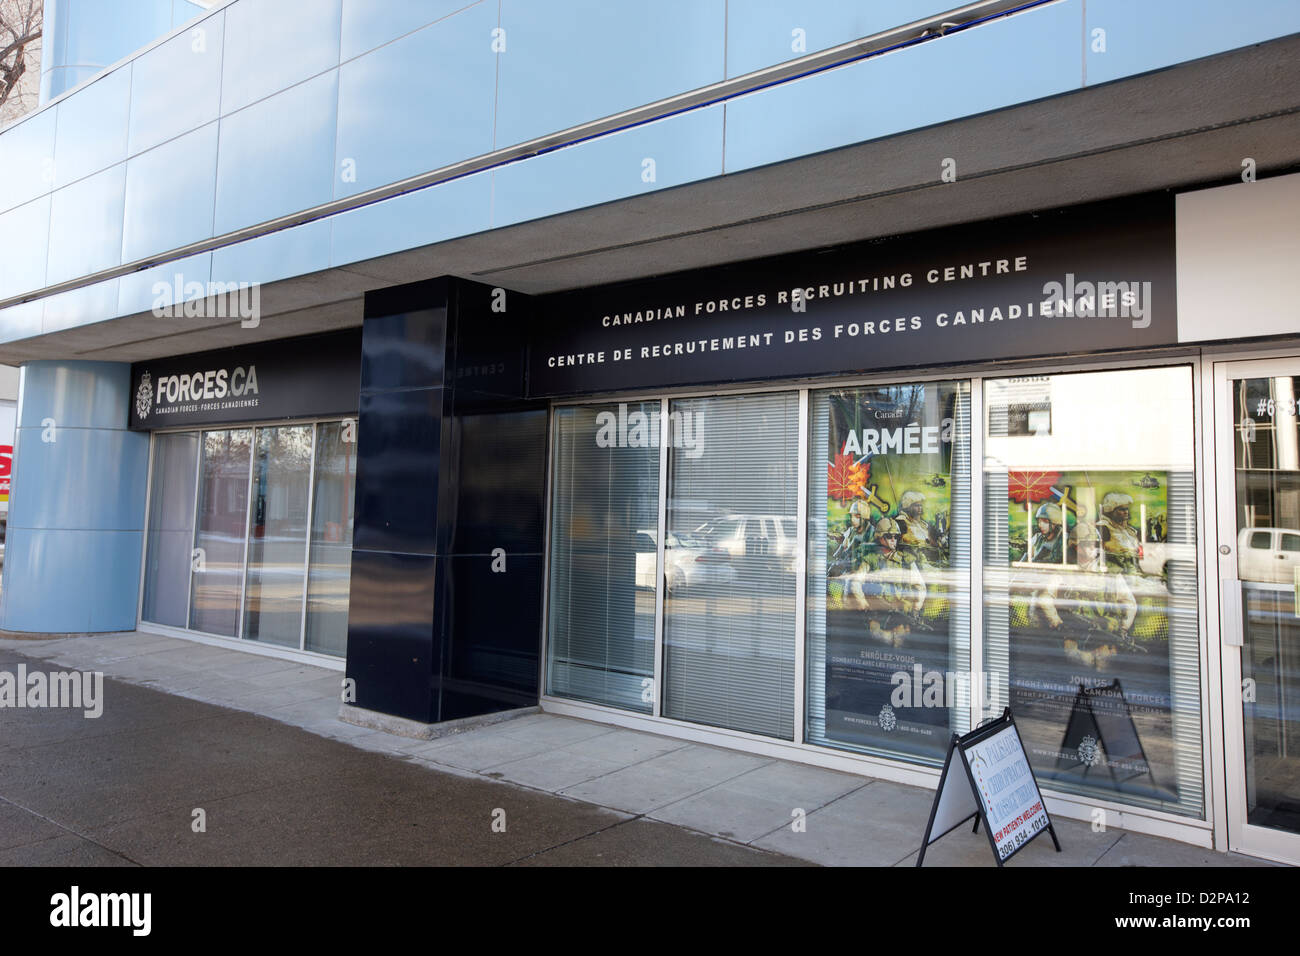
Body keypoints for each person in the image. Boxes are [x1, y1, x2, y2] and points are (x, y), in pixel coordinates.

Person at [1032, 522, 1139, 669]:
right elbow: (1045, 599)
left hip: (1105, 635)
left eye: (1096, 544)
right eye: (1089, 545)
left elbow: (1130, 603)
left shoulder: (1110, 572)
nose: (1094, 549)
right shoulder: (1064, 571)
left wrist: (1123, 629)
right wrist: (1058, 623)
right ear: (1076, 546)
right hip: (1075, 635)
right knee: (1078, 660)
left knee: (1103, 664)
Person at [853, 517, 929, 647]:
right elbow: (856, 582)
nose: (893, 540)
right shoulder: (871, 559)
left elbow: (920, 585)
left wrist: (917, 605)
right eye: (889, 536)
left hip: (900, 611)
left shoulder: (905, 560)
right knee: (877, 634)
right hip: (878, 610)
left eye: (896, 536)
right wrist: (862, 601)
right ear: (880, 538)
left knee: (900, 638)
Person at [1096, 491, 1141, 573]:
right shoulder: (1104, 527)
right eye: (1122, 509)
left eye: (1127, 509)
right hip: (1113, 571)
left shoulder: (1130, 530)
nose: (1126, 512)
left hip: (1131, 569)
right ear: (1111, 510)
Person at [895, 490, 944, 565]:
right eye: (916, 505)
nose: (920, 508)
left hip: (929, 559)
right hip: (911, 559)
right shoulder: (901, 520)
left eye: (920, 505)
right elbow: (905, 539)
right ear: (909, 506)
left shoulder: (924, 524)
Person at [828, 498, 873, 575]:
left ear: (864, 517)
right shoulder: (851, 530)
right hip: (848, 566)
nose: (853, 519)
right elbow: (842, 549)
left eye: (857, 516)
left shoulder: (872, 532)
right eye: (852, 516)